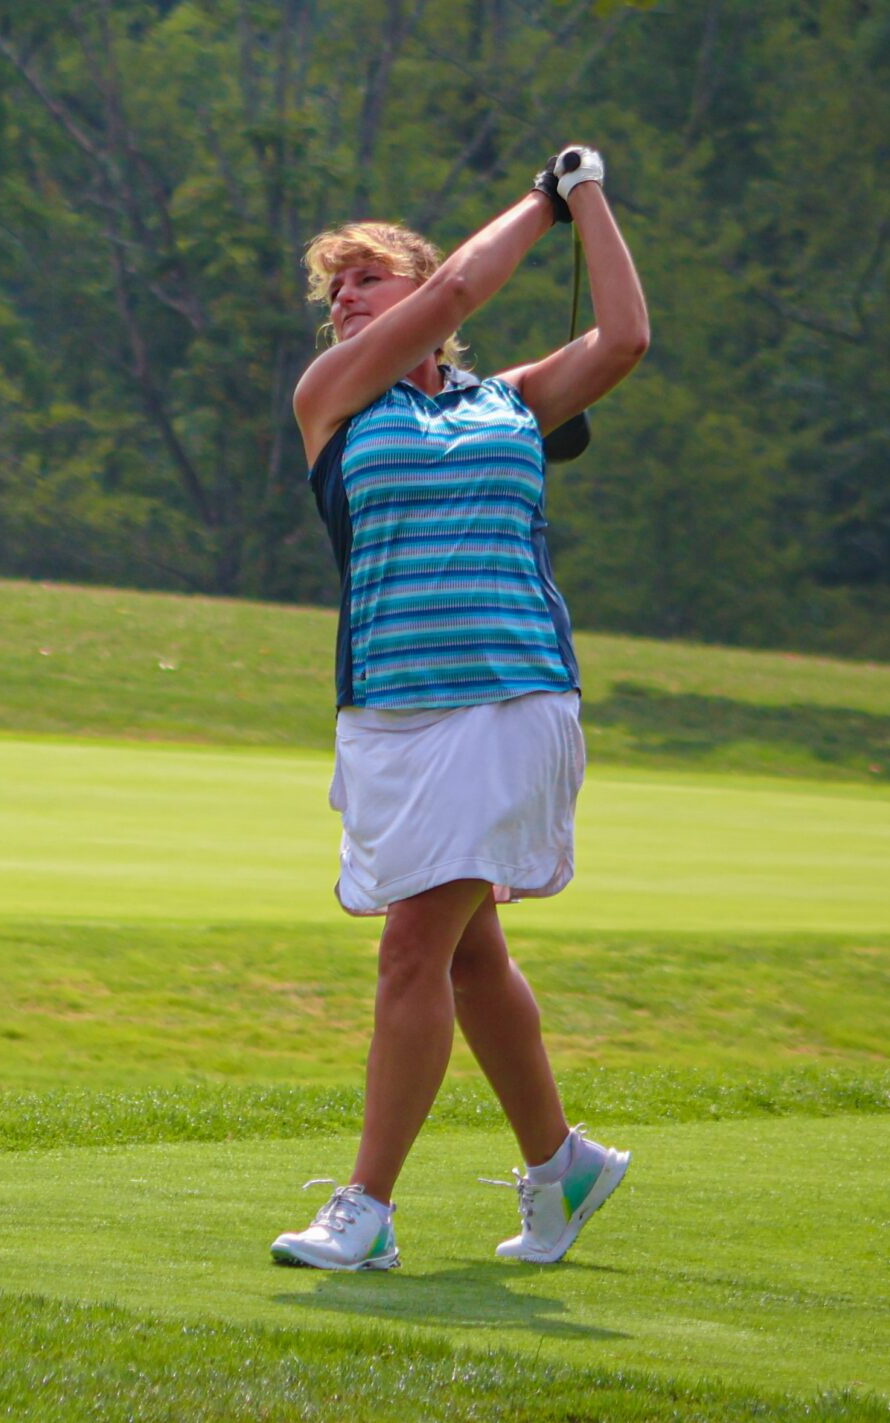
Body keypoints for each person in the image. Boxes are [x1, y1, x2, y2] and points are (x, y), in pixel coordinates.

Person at [269, 148, 648, 1271]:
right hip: (391, 709)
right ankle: (562, 1165)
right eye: (334, 289)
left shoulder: (514, 401)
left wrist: (585, 199)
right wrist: (539, 196)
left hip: (511, 695)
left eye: (366, 280)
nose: (344, 300)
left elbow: (622, 338)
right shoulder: (329, 398)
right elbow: (452, 297)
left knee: (410, 952)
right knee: (470, 955)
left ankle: (365, 1210)